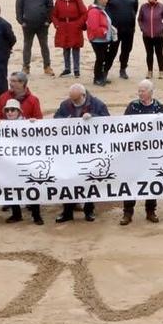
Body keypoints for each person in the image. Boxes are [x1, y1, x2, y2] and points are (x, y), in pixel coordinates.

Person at [52, 84, 109, 222]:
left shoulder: (97, 104)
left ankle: (89, 211)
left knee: (89, 180)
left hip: (90, 149)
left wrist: (94, 117)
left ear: (83, 95)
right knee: (69, 179)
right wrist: (64, 121)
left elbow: (108, 122)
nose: (73, 102)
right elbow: (56, 119)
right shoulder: (66, 104)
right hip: (70, 150)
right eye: (72, 100)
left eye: (76, 100)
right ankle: (67, 211)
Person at [119, 80, 163, 225]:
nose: (140, 93)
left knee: (151, 182)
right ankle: (127, 213)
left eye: (143, 90)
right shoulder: (132, 106)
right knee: (131, 181)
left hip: (152, 154)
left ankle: (151, 211)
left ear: (151, 92)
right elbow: (123, 127)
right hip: (134, 153)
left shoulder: (160, 108)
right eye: (139, 90)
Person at [14, 0, 54, 75]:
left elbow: (51, 7)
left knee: (44, 45)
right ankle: (26, 67)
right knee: (27, 45)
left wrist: (48, 21)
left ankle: (47, 66)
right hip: (27, 24)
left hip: (42, 25)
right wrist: (21, 21)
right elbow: (18, 7)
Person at [105, 0, 140, 80]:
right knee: (112, 51)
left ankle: (123, 69)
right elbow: (104, 12)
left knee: (126, 50)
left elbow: (135, 9)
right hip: (115, 30)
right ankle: (105, 70)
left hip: (129, 29)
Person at [51, 0, 87, 79]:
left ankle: (76, 69)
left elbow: (84, 13)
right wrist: (57, 24)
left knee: (76, 47)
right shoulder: (59, 1)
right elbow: (54, 15)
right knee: (65, 47)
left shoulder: (78, 0)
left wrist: (78, 24)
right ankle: (67, 68)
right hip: (63, 26)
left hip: (74, 26)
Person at [137, 0, 163, 79]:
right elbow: (139, 19)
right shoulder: (143, 7)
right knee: (149, 53)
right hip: (146, 35)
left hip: (159, 36)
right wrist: (142, 28)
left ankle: (161, 71)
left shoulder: (161, 7)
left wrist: (162, 27)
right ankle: (150, 71)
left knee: (159, 53)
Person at [86, 0, 117, 85]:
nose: (106, 0)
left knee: (102, 59)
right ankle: (97, 78)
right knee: (100, 59)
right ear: (98, 0)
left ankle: (101, 77)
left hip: (103, 39)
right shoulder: (94, 11)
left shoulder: (101, 10)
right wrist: (104, 32)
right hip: (98, 40)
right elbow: (94, 27)